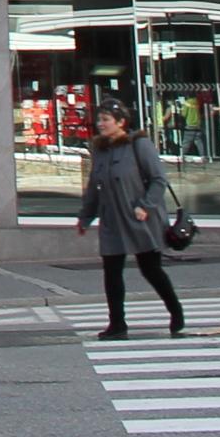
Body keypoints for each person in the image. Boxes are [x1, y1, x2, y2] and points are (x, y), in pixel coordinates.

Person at [78, 100, 186, 340]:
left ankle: (175, 310)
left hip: (139, 217)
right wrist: (86, 216)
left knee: (151, 269)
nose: (100, 124)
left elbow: (158, 179)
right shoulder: (100, 150)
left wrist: (145, 205)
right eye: (99, 119)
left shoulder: (139, 145)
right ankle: (117, 324)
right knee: (112, 272)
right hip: (112, 219)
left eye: (105, 120)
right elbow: (94, 186)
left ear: (121, 122)